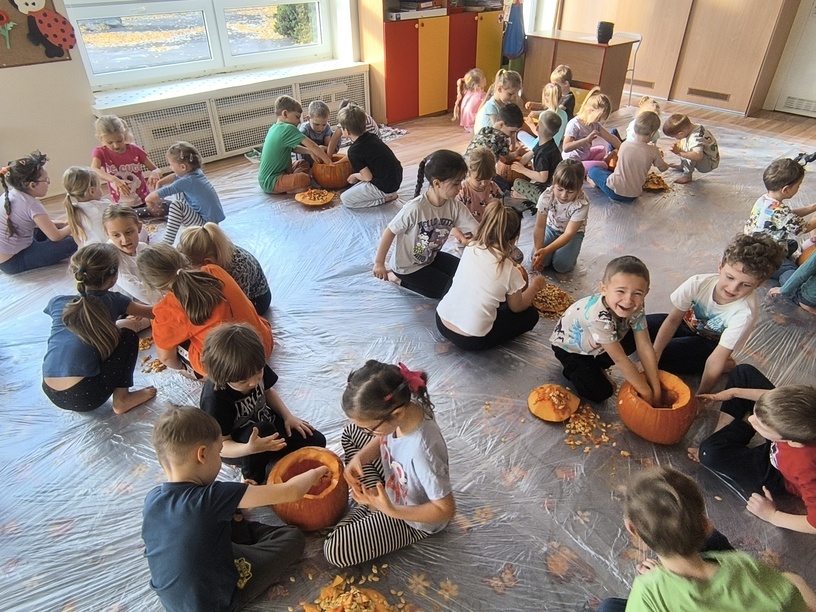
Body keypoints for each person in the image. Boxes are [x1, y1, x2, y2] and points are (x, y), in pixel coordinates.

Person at [143, 406, 329, 612]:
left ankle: (239, 528)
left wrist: (236, 498)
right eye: (218, 452)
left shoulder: (152, 499)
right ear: (202, 455)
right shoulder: (216, 496)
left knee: (218, 522)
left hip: (174, 602)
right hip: (216, 603)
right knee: (292, 538)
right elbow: (291, 491)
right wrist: (315, 473)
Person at [596, 467, 816, 612]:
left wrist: (659, 581)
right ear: (707, 525)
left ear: (632, 529)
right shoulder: (744, 564)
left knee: (608, 607)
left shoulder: (647, 593)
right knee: (792, 578)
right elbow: (792, 600)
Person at [323, 361, 455, 567]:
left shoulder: (424, 454)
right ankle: (374, 503)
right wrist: (360, 458)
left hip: (411, 516)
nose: (368, 433)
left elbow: (445, 510)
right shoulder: (407, 406)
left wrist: (390, 510)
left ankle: (373, 508)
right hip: (394, 478)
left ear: (397, 414)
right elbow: (382, 435)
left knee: (336, 550)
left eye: (370, 429)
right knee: (351, 433)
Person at [647, 233, 785, 394]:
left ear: (759, 285)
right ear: (720, 266)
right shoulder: (697, 283)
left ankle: (724, 365)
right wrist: (654, 353)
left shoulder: (744, 314)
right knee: (642, 329)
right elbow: (672, 320)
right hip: (686, 323)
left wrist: (702, 395)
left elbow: (718, 356)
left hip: (709, 344)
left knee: (664, 357)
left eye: (746, 285)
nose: (732, 288)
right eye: (730, 277)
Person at [689, 365, 816, 536]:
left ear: (793, 442)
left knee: (709, 454)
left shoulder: (805, 466)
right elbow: (771, 397)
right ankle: (735, 429)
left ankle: (735, 432)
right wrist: (733, 393)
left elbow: (814, 524)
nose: (751, 418)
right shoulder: (807, 411)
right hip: (780, 441)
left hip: (778, 474)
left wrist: (772, 515)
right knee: (743, 373)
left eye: (760, 424)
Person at [200, 323, 326, 484]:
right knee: (262, 430)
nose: (254, 382)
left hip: (267, 427)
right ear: (223, 378)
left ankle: (271, 456)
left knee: (316, 441)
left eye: (258, 373)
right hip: (240, 445)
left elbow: (268, 392)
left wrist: (288, 417)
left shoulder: (252, 365)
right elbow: (221, 446)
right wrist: (249, 449)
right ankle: (251, 478)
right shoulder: (215, 399)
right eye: (243, 381)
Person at [42, 243, 156, 413]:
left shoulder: (57, 302)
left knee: (112, 330)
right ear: (114, 276)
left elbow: (81, 326)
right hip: (86, 395)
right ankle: (122, 399)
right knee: (127, 336)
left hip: (51, 390)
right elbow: (155, 313)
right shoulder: (113, 300)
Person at [136, 243, 273, 377]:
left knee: (168, 341)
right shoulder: (214, 270)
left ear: (151, 285)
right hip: (261, 345)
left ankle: (199, 374)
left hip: (232, 370)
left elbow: (166, 358)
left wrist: (183, 368)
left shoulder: (166, 310)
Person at [551, 255, 661, 404]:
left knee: (640, 336)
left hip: (601, 341)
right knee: (601, 392)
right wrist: (646, 392)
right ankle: (575, 369)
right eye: (621, 291)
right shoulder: (598, 317)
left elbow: (644, 346)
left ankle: (598, 364)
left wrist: (657, 390)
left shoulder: (637, 305)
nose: (628, 300)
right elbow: (620, 359)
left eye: (637, 293)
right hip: (571, 350)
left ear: (645, 293)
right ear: (604, 289)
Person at [436, 200, 546, 350]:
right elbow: (517, 307)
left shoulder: (472, 246)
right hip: (470, 339)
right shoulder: (510, 271)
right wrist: (535, 286)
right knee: (531, 315)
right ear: (514, 239)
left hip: (441, 320)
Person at [373, 150, 478, 300]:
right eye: (456, 183)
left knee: (468, 272)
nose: (460, 188)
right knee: (451, 291)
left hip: (430, 257)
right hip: (407, 268)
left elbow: (478, 230)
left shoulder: (455, 207)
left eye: (461, 182)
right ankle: (398, 279)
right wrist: (379, 263)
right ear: (437, 183)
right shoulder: (415, 208)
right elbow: (390, 231)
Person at [0, 151, 76, 274]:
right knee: (71, 242)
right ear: (32, 185)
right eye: (46, 180)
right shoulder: (31, 204)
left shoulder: (10, 194)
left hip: (9, 254)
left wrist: (62, 224)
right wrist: (75, 224)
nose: (49, 182)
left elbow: (33, 222)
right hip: (14, 261)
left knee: (56, 230)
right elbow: (55, 236)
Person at [744, 158, 816, 283]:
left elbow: (789, 216)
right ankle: (783, 285)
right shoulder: (780, 212)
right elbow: (805, 228)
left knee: (792, 244)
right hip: (766, 257)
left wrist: (812, 207)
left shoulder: (765, 200)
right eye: (798, 186)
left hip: (755, 247)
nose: (798, 188)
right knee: (793, 272)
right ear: (785, 190)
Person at [177, 223, 272, 315]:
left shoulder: (239, 269)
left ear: (207, 262)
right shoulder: (214, 251)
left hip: (256, 299)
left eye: (191, 266)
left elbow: (241, 306)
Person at [145, 141, 225, 246]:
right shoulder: (196, 173)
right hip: (211, 223)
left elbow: (150, 197)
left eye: (171, 165)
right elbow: (175, 176)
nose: (170, 168)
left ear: (183, 167)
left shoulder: (186, 181)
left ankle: (166, 243)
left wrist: (150, 204)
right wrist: (160, 183)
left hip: (205, 227)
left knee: (176, 205)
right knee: (179, 191)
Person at [587, 111, 669, 203]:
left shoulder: (624, 145)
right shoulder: (653, 150)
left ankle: (595, 184)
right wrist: (666, 164)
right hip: (634, 195)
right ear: (652, 134)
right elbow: (663, 168)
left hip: (614, 191)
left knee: (593, 170)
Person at [258, 95, 332, 194]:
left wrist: (309, 152)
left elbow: (293, 148)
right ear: (285, 113)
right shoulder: (288, 128)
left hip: (282, 171)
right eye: (297, 117)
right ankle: (292, 188)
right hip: (270, 181)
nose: (299, 121)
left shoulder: (274, 127)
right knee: (304, 179)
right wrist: (329, 163)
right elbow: (313, 145)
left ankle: (292, 183)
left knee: (302, 163)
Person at [337, 103, 403, 209]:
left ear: (347, 131)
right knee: (355, 187)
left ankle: (386, 198)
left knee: (345, 199)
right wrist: (338, 162)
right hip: (396, 178)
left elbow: (368, 177)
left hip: (386, 186)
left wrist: (355, 176)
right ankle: (388, 193)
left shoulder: (353, 151)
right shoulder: (372, 136)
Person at [90, 115, 161, 211]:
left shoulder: (135, 150)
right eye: (110, 142)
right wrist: (113, 179)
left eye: (119, 141)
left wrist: (155, 172)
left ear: (125, 135)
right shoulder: (101, 152)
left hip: (143, 199)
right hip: (121, 204)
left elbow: (156, 169)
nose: (116, 146)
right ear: (101, 139)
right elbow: (94, 169)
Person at [531, 159, 589, 274]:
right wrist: (539, 251)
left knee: (561, 265)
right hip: (551, 228)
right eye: (560, 189)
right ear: (554, 181)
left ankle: (564, 254)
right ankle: (552, 252)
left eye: (570, 192)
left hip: (573, 235)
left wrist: (546, 250)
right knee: (540, 260)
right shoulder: (546, 196)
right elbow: (540, 226)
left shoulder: (581, 203)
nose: (563, 195)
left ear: (580, 187)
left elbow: (568, 234)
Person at [103, 205, 163, 305]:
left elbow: (159, 274)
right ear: (107, 234)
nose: (124, 240)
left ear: (139, 228)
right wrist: (164, 301)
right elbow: (132, 286)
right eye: (116, 235)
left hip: (143, 299)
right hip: (121, 305)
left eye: (128, 232)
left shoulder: (143, 248)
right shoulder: (111, 255)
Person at [562, 88, 621, 172]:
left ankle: (591, 165)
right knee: (603, 165)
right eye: (598, 118)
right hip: (573, 162)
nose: (599, 121)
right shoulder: (574, 124)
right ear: (589, 111)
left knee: (601, 149)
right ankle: (593, 168)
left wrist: (623, 148)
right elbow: (566, 147)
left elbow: (610, 138)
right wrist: (586, 140)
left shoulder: (594, 124)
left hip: (584, 155)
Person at [512, 110, 564, 202]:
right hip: (556, 185)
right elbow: (530, 154)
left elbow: (542, 178)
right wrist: (519, 162)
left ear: (537, 127)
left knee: (517, 183)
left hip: (548, 190)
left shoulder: (543, 153)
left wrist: (522, 170)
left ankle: (540, 199)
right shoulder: (547, 143)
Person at [452, 146, 503, 240]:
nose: (484, 183)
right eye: (479, 179)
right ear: (469, 172)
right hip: (467, 237)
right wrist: (462, 239)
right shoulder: (462, 191)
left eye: (488, 178)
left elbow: (500, 211)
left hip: (488, 233)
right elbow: (452, 221)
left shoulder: (493, 188)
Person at [662, 113, 720, 184]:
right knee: (684, 143)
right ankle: (684, 166)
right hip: (711, 157)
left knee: (688, 151)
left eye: (674, 136)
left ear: (681, 134)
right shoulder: (696, 127)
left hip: (708, 164)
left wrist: (679, 152)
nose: (675, 138)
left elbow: (698, 156)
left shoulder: (694, 139)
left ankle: (687, 176)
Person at [63, 166, 111, 247]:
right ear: (92, 191)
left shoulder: (73, 209)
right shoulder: (105, 205)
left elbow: (77, 239)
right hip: (107, 248)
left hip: (88, 249)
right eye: (99, 187)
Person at [769, 247, 816, 316]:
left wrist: (783, 290)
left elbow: (803, 272)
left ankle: (801, 303)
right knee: (792, 245)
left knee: (787, 273)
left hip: (807, 299)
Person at [521, 82, 567, 150]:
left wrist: (531, 124)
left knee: (520, 133)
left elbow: (540, 135)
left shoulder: (544, 115)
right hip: (554, 148)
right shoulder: (564, 114)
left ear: (545, 98)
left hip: (539, 148)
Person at [298, 100, 342, 164]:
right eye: (317, 124)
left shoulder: (327, 127)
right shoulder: (304, 129)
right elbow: (298, 147)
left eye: (324, 124)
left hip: (322, 151)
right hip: (309, 153)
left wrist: (323, 148)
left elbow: (328, 145)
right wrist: (314, 150)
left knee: (336, 136)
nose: (321, 128)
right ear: (308, 118)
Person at [452, 68, 487, 133]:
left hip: (466, 125)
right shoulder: (481, 95)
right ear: (478, 84)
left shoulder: (467, 92)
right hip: (474, 126)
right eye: (483, 78)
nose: (485, 78)